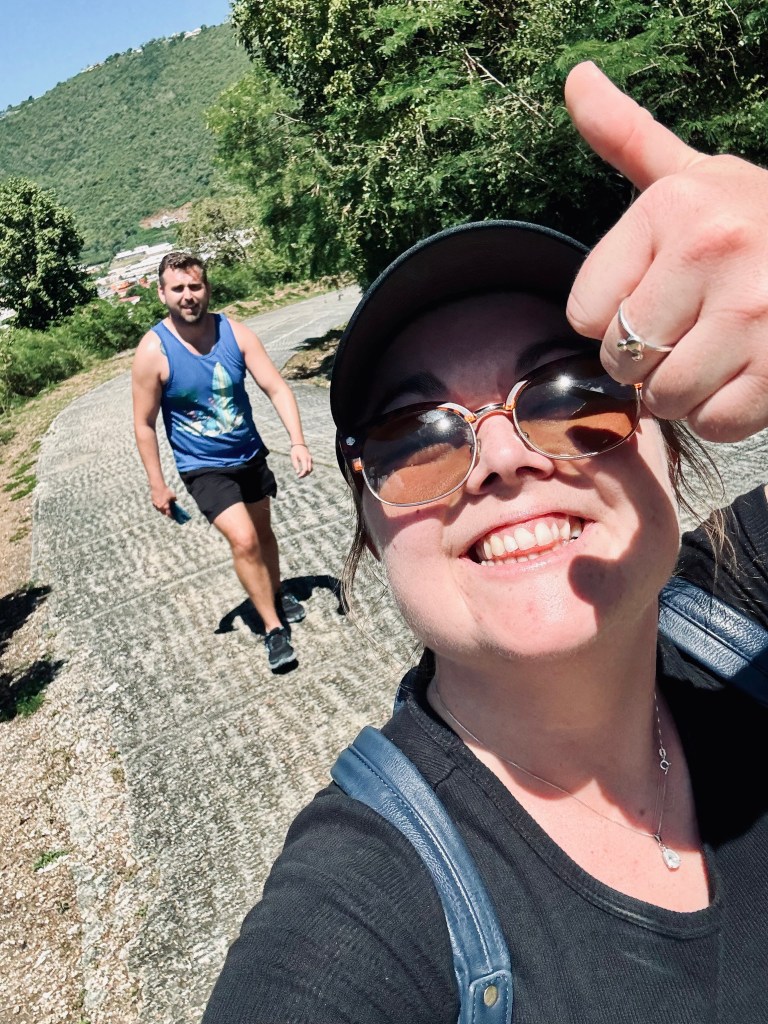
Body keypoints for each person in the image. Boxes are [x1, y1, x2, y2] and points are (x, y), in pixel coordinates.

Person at [201, 62, 768, 1022]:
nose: (500, 457)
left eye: (569, 394)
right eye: (416, 438)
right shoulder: (360, 918)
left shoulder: (745, 597)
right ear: (371, 524)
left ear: (664, 440)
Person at [132, 252, 313, 672]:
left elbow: (276, 387)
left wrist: (298, 440)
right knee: (245, 540)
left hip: (248, 454)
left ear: (207, 289)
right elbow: (144, 424)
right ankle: (272, 628)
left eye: (195, 286)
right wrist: (157, 484)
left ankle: (274, 589)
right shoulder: (153, 352)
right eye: (177, 288)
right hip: (202, 466)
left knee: (264, 534)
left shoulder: (235, 333)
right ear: (162, 294)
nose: (188, 296)